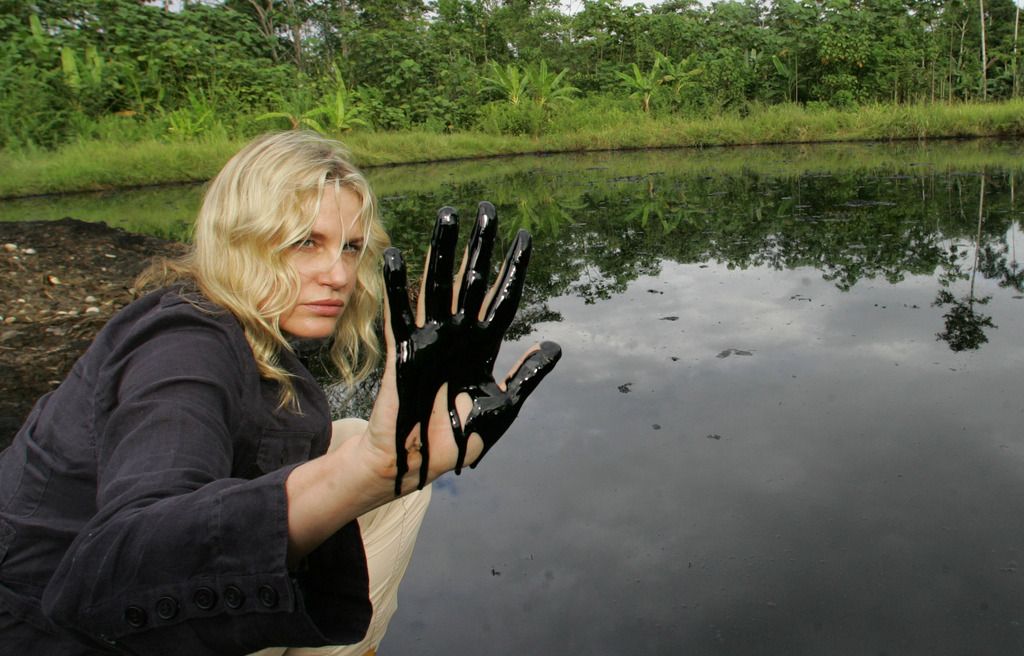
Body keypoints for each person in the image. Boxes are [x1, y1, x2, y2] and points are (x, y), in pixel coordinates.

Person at [0, 131, 561, 655]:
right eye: (303, 243)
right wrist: (367, 469)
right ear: (236, 239)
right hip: (48, 629)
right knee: (365, 456)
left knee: (367, 450)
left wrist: (385, 460)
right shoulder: (182, 343)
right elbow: (115, 566)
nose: (338, 275)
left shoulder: (249, 331)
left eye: (350, 248)